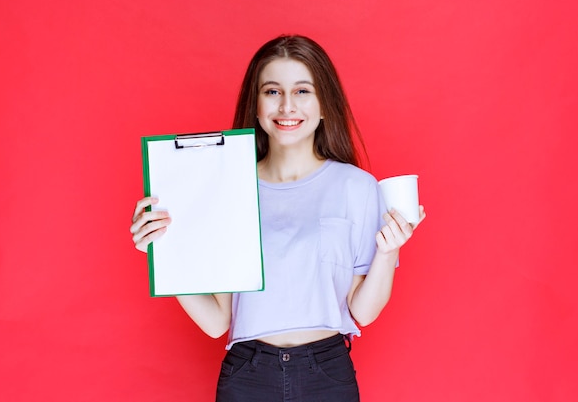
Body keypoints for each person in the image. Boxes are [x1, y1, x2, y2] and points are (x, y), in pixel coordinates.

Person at [130, 35, 426, 402]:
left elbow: (363, 312)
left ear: (324, 105)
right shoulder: (228, 187)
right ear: (255, 105)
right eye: (272, 91)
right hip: (247, 375)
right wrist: (165, 251)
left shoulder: (356, 187)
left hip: (327, 375)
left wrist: (388, 252)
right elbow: (216, 321)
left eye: (302, 91)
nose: (287, 106)